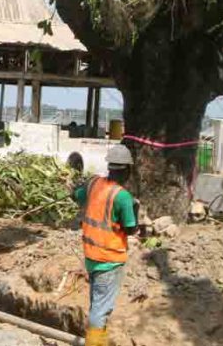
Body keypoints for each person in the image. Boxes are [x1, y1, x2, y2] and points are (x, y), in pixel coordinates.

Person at [73, 144, 138, 346]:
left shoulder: (94, 184)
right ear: (127, 170)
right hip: (110, 260)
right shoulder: (123, 197)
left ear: (109, 166)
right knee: (100, 310)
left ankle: (98, 341)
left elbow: (76, 196)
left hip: (91, 257)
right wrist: (135, 209)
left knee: (97, 305)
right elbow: (130, 229)